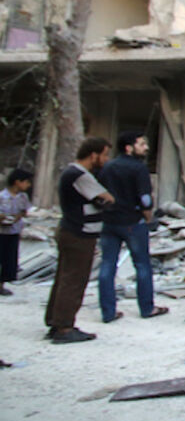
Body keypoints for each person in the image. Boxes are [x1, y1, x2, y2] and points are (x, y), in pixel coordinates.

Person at [46, 138, 114, 344]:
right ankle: (65, 326)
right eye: (104, 155)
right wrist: (103, 202)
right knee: (74, 280)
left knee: (64, 277)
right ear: (93, 155)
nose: (105, 159)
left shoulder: (71, 173)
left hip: (72, 230)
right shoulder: (80, 175)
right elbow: (107, 198)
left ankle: (56, 321)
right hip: (79, 233)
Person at [97, 131, 168, 323]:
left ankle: (108, 311)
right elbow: (145, 199)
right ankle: (147, 307)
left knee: (107, 265)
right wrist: (148, 218)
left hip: (110, 221)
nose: (146, 147)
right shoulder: (138, 169)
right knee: (142, 265)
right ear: (129, 148)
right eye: (142, 144)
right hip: (132, 222)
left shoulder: (108, 167)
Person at [0, 168, 34, 296]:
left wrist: (18, 216)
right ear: (17, 182)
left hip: (14, 231)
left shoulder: (23, 197)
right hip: (1, 232)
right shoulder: (2, 197)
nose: (28, 185)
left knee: (9, 259)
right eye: (26, 182)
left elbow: (24, 211)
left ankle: (2, 284)